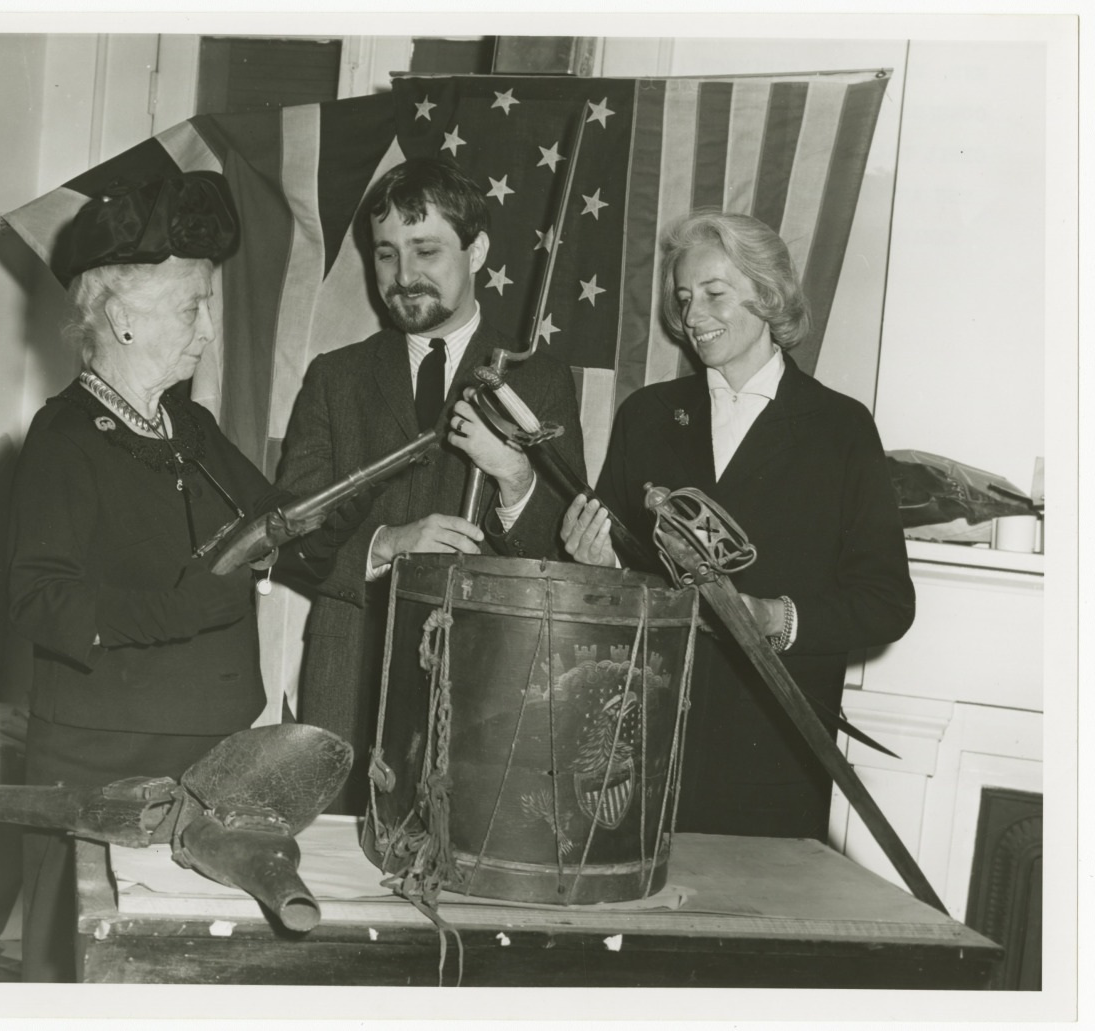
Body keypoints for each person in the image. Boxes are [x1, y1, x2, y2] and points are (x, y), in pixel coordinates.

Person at [8, 172, 364, 981]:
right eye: (189, 305)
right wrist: (177, 609)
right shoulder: (65, 437)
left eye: (207, 304)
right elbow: (40, 600)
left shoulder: (191, 428)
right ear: (123, 318)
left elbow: (286, 522)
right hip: (108, 776)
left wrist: (381, 532)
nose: (207, 328)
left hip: (220, 763)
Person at [562, 211, 914, 841]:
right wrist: (599, 564)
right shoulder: (647, 415)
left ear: (768, 294)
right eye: (684, 298)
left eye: (715, 294)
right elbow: (620, 574)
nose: (694, 316)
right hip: (641, 741)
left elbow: (886, 603)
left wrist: (777, 619)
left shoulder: (840, 429)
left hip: (773, 751)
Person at [277, 157, 586, 814]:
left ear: (476, 250)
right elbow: (291, 532)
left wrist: (515, 477)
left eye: (426, 251)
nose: (403, 276)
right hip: (347, 689)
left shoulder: (541, 381)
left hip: (481, 688)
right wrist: (387, 541)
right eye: (386, 255)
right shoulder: (335, 378)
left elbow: (560, 555)